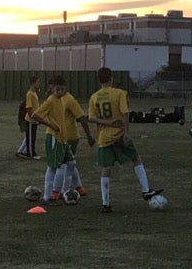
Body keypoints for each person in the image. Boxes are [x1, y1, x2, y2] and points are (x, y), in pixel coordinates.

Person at [88, 67, 164, 212]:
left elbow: (91, 118)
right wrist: (126, 132)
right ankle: (145, 190)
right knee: (136, 158)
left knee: (106, 168)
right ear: (111, 78)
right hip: (119, 135)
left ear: (99, 80)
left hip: (104, 137)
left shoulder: (94, 97)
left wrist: (107, 123)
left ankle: (105, 203)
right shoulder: (119, 93)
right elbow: (125, 114)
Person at [29, 76, 89, 203]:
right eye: (57, 90)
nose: (60, 92)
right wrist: (51, 125)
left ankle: (64, 190)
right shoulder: (51, 101)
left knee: (71, 163)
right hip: (54, 138)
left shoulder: (63, 100)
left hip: (63, 139)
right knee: (54, 167)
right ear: (52, 89)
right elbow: (35, 116)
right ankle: (50, 195)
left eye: (62, 90)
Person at [17, 75, 42, 158]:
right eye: (38, 82)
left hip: (35, 120)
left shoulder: (34, 93)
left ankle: (30, 151)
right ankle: (30, 153)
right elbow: (29, 108)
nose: (39, 83)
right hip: (31, 120)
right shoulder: (30, 94)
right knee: (30, 138)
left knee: (33, 137)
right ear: (33, 83)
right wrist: (33, 117)